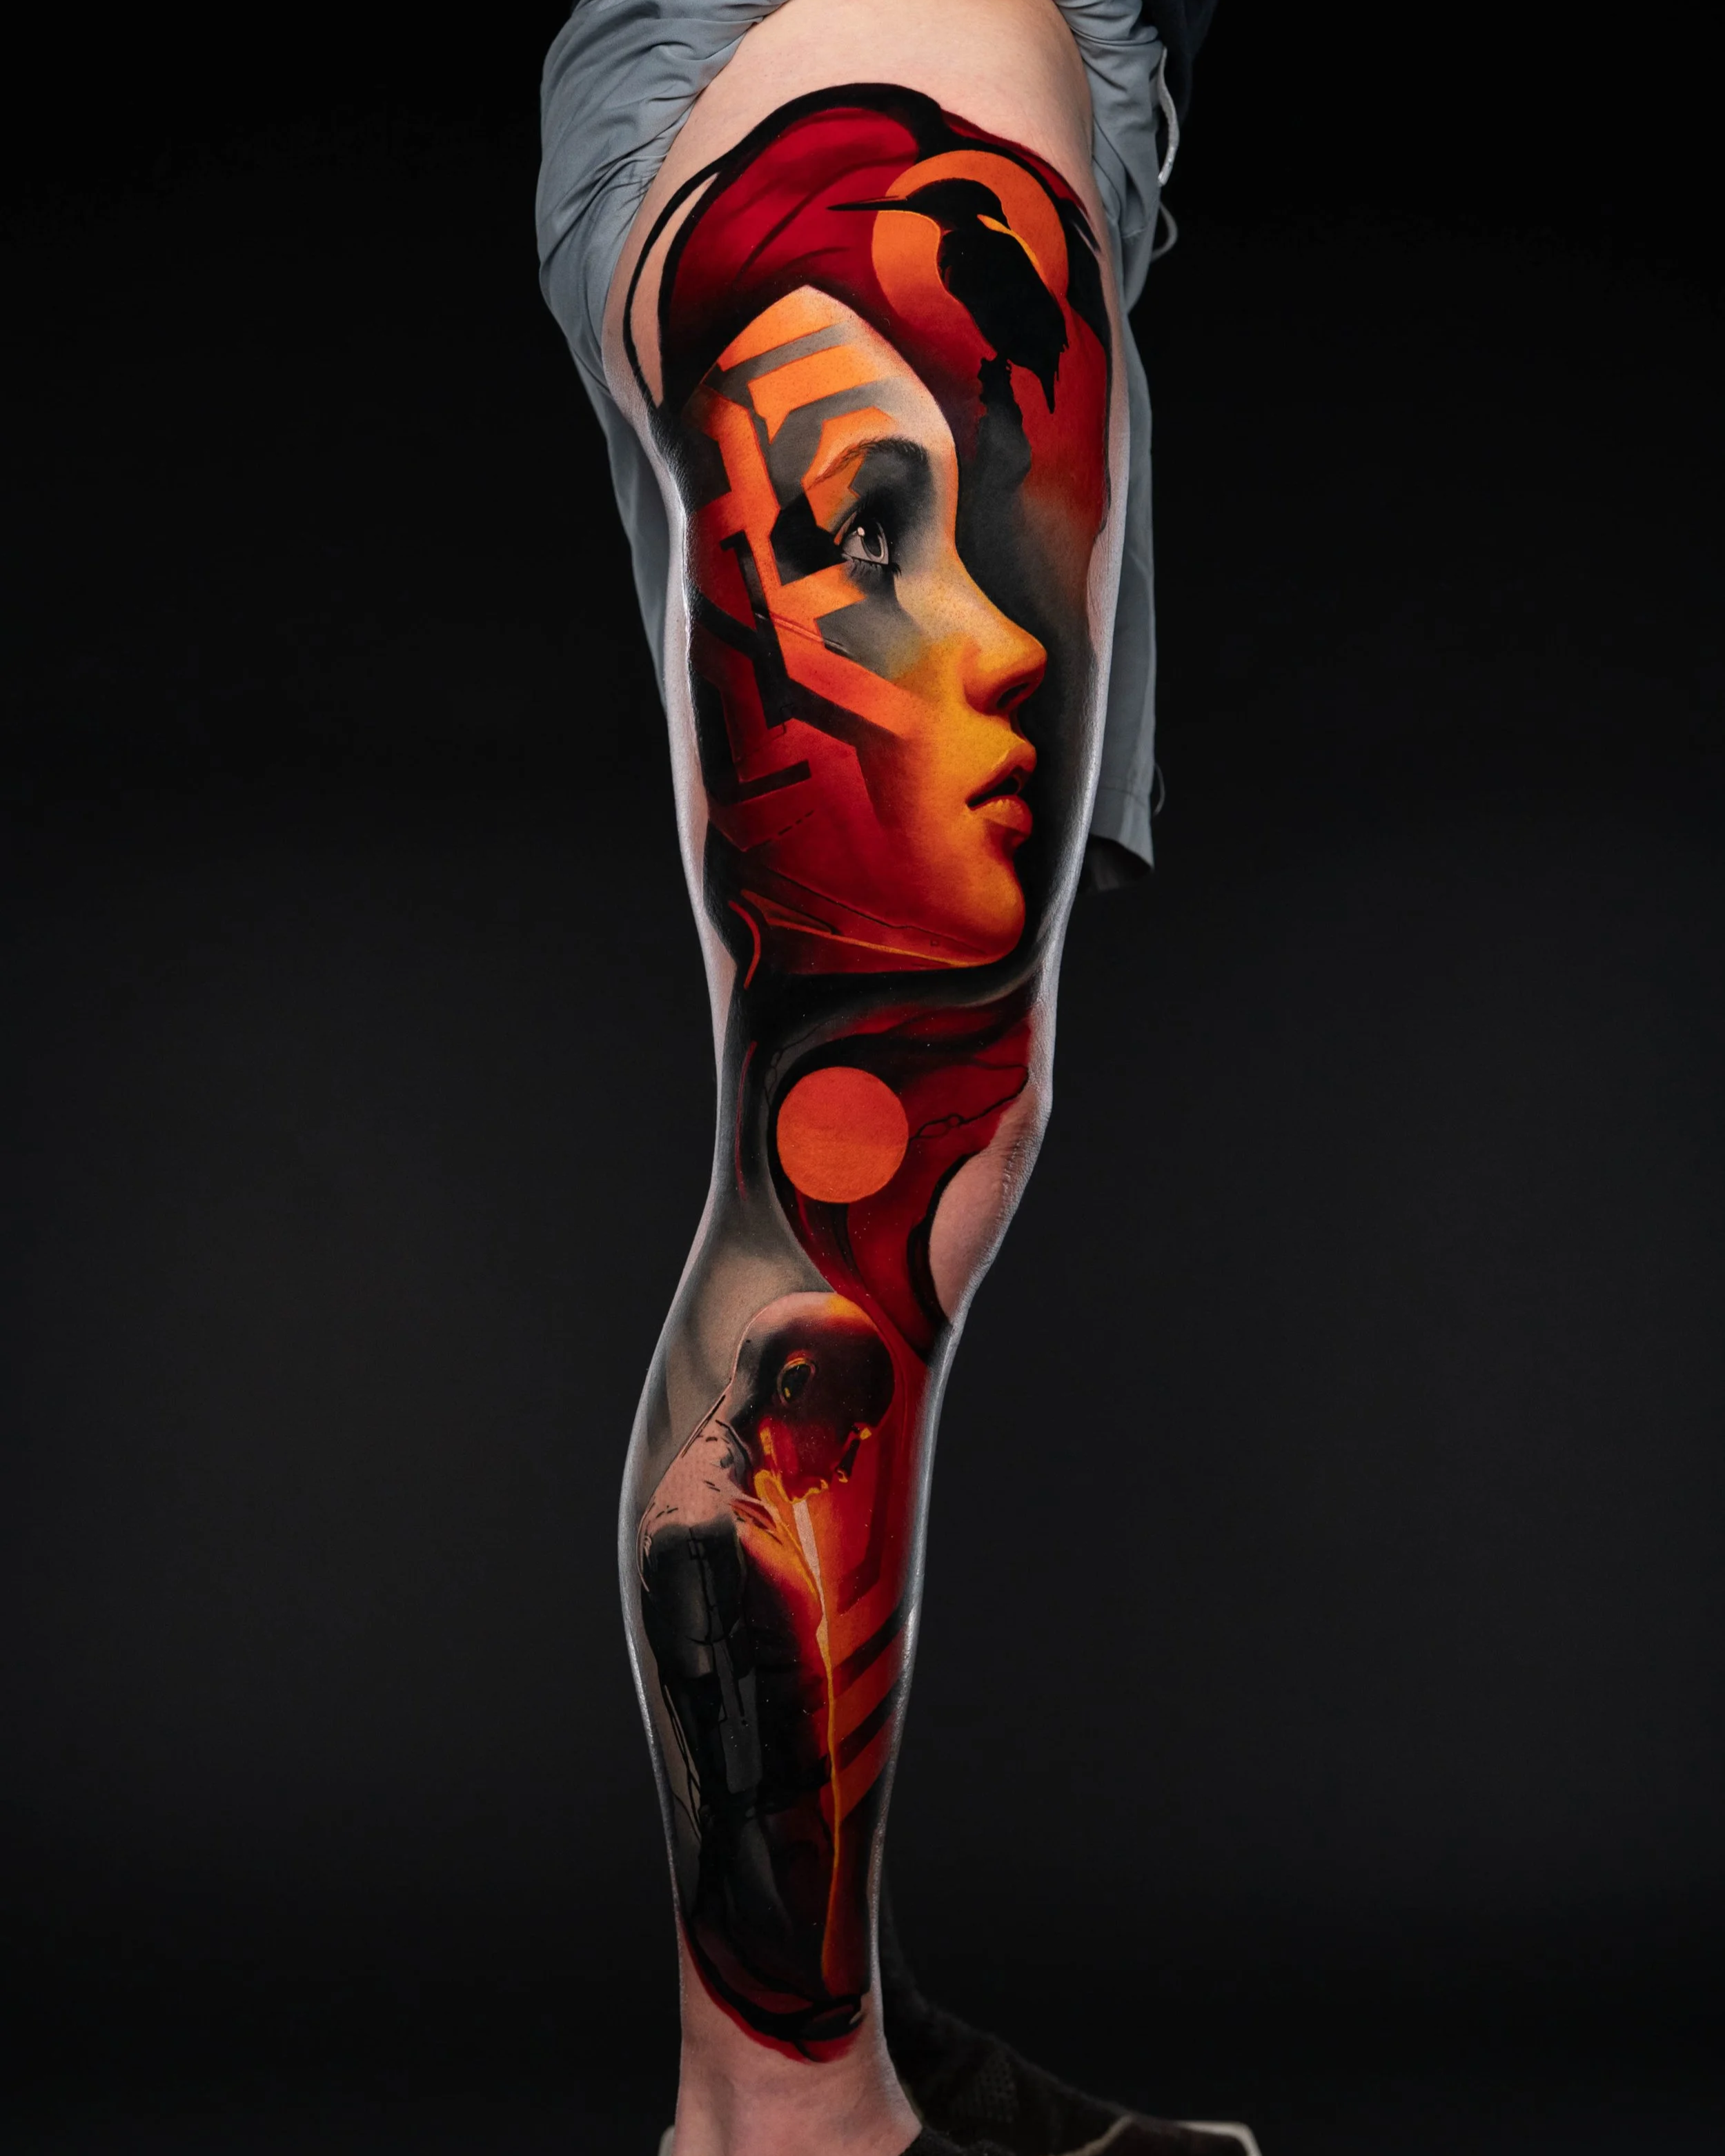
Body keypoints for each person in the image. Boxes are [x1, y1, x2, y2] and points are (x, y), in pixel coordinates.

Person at [536, 5, 1251, 2152]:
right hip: (884, 30)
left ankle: (834, 2029)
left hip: (923, 90)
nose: (990, 645)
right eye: (871, 535)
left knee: (896, 1126)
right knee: (875, 1131)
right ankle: (777, 2118)